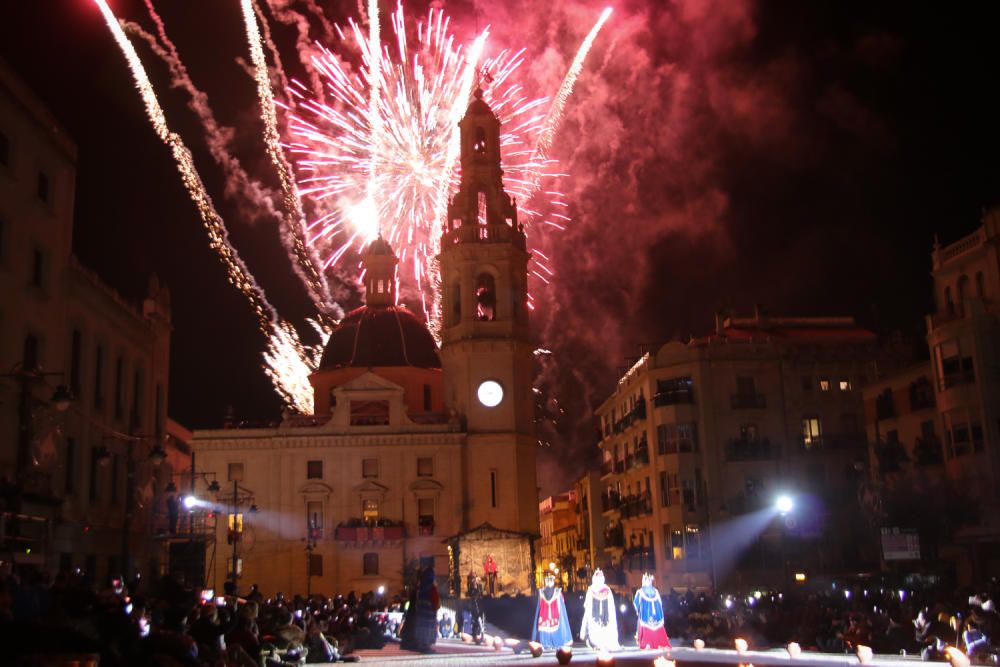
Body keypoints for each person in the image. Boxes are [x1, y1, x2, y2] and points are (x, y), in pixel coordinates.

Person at [400, 567, 440, 653]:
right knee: (427, 630)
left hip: (421, 614)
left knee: (422, 629)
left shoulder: (420, 588)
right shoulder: (431, 588)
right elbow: (436, 601)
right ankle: (426, 646)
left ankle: (422, 644)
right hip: (429, 614)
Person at [580, 569, 621, 651]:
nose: (599, 579)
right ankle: (595, 643)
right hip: (594, 616)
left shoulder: (607, 589)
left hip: (606, 617)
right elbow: (588, 603)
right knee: (594, 628)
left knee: (606, 629)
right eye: (597, 578)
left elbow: (611, 604)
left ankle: (606, 644)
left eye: (600, 577)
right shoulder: (591, 589)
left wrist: (611, 614)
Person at [532, 572, 572, 649]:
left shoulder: (541, 592)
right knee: (557, 623)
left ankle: (545, 643)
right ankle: (555, 642)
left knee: (545, 625)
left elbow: (538, 607)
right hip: (554, 614)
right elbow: (562, 604)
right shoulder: (557, 592)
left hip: (544, 615)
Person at [633, 572, 671, 649]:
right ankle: (659, 643)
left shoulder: (640, 591)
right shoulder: (656, 591)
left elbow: (636, 603)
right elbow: (660, 603)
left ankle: (647, 643)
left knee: (644, 625)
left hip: (645, 615)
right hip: (656, 615)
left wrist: (637, 611)